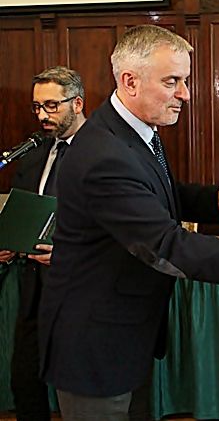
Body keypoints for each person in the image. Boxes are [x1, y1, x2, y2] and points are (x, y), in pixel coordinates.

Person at [36, 24, 219, 421]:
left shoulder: (131, 130)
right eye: (172, 81)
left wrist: (210, 201)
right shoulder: (103, 152)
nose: (185, 94)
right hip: (95, 344)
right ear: (130, 81)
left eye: (185, 80)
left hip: (124, 332)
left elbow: (149, 194)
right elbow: (166, 246)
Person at [0, 66, 87, 421]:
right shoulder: (35, 154)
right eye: (37, 107)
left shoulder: (103, 152)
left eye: (52, 106)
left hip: (82, 289)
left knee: (81, 390)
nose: (42, 115)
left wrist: (70, 252)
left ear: (77, 103)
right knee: (25, 380)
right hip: (35, 286)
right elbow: (23, 212)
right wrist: (7, 243)